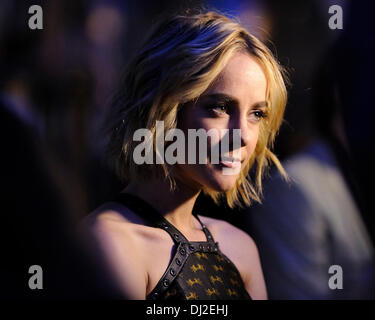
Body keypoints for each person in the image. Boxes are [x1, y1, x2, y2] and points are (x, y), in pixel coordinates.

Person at [83, 11, 288, 300]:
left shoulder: (239, 246)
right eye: (219, 107)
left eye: (257, 113)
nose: (243, 134)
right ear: (165, 108)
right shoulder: (109, 241)